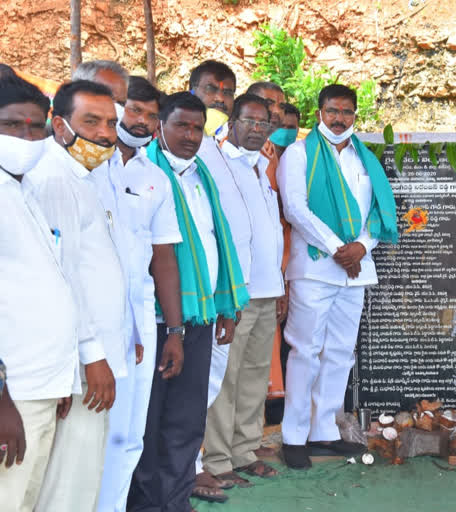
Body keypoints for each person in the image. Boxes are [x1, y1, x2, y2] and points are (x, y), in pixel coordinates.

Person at [128, 92, 249, 512]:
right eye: (181, 125)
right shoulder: (145, 174)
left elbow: (219, 241)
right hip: (158, 319)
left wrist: (226, 305)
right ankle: (145, 505)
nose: (191, 135)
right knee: (150, 421)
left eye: (198, 128)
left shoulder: (201, 176)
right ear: (160, 125)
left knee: (186, 419)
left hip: (200, 315)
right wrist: (173, 329)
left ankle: (176, 502)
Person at [277, 84, 398, 469]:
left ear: (355, 116)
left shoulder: (366, 160)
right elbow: (295, 208)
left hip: (356, 271)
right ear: (319, 114)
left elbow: (378, 210)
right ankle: (293, 436)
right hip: (315, 268)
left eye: (347, 112)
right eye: (332, 111)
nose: (339, 119)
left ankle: (324, 431)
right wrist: (337, 249)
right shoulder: (298, 154)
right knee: (305, 351)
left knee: (340, 353)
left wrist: (361, 247)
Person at [84, 67, 185, 512]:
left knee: (129, 434)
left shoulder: (156, 178)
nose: (143, 121)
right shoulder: (82, 167)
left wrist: (174, 330)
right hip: (87, 319)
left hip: (140, 319)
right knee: (87, 434)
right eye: (135, 109)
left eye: (152, 114)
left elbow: (163, 257)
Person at [26, 80, 126, 512]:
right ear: (59, 123)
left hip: (95, 351)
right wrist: (92, 354)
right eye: (91, 121)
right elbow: (64, 275)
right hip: (85, 361)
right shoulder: (52, 177)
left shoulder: (81, 174)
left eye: (110, 123)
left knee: (82, 473)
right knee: (70, 479)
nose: (104, 134)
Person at [0, 75, 79, 512]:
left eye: (36, 127)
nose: (27, 137)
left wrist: (60, 375)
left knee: (25, 500)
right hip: (13, 392)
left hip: (41, 383)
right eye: (12, 125)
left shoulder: (23, 187)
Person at [202, 93, 286, 486]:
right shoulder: (218, 163)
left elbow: (269, 232)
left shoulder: (263, 166)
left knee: (254, 376)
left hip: (268, 289)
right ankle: (217, 460)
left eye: (263, 123)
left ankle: (244, 451)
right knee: (226, 378)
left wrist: (281, 285)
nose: (256, 129)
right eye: (249, 121)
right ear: (231, 122)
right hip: (236, 292)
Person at [187, 59, 249, 500]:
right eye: (211, 90)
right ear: (191, 90)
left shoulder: (219, 145)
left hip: (223, 288)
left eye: (227, 92)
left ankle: (190, 461)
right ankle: (187, 467)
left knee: (209, 380)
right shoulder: (182, 144)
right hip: (191, 291)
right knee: (192, 382)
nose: (219, 99)